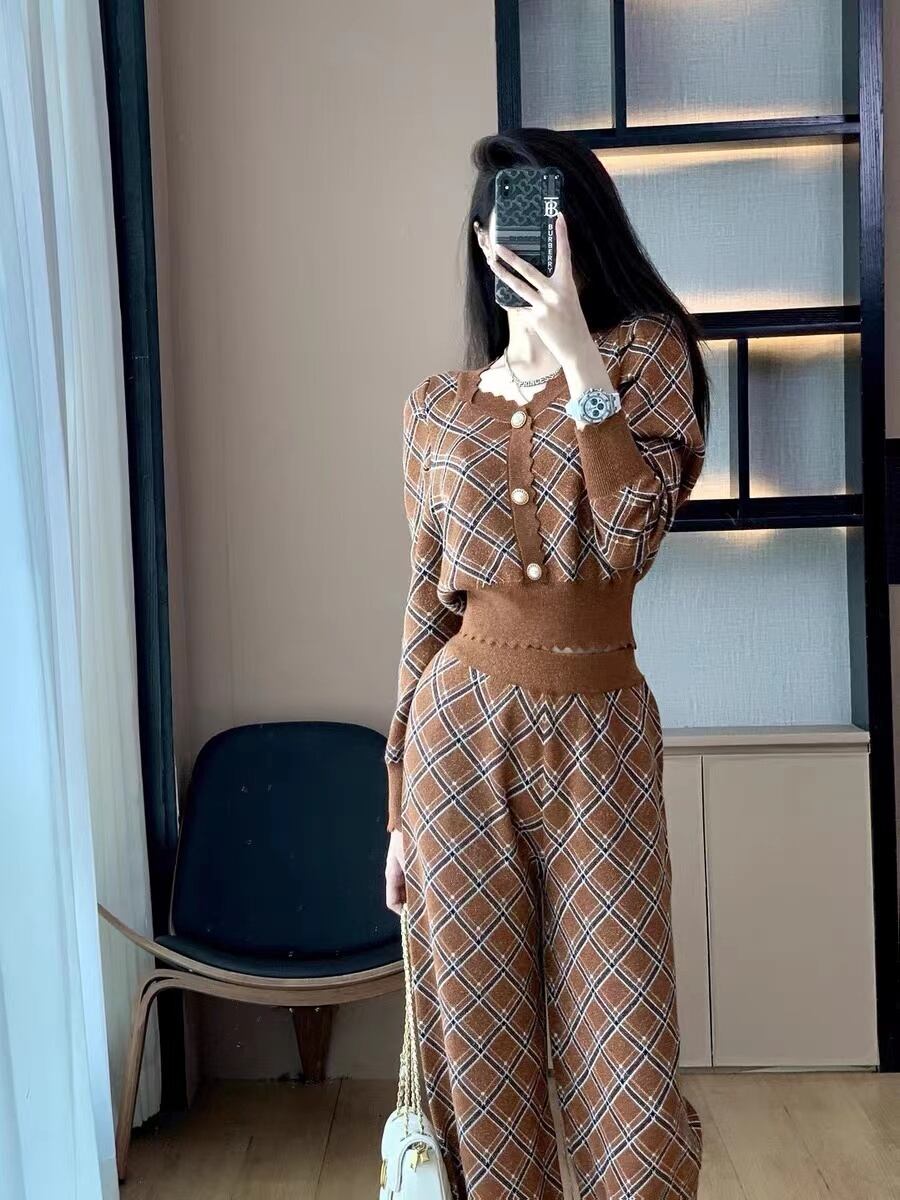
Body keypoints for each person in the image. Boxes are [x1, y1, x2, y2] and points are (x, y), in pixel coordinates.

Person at [383, 127, 709, 1200]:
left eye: (542, 221)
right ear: (485, 243)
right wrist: (396, 811)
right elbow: (424, 607)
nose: (519, 243)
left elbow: (632, 537)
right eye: (503, 225)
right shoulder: (437, 408)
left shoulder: (645, 358)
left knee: (630, 1071)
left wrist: (578, 356)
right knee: (480, 1067)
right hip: (455, 742)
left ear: (582, 231)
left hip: (600, 737)